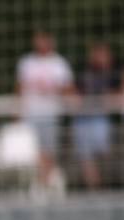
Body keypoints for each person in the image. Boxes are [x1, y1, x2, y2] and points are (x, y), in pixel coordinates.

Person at [17, 29, 75, 195]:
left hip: (51, 113)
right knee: (35, 150)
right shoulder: (27, 62)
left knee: (49, 148)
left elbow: (68, 87)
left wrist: (51, 87)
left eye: (42, 39)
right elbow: (20, 88)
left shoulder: (59, 63)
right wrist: (18, 112)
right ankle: (43, 180)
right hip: (31, 113)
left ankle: (46, 180)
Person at [73, 42, 121, 190]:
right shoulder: (85, 72)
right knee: (85, 154)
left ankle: (106, 184)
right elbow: (75, 92)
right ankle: (94, 187)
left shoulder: (115, 72)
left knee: (102, 151)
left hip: (102, 117)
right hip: (84, 116)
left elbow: (118, 93)